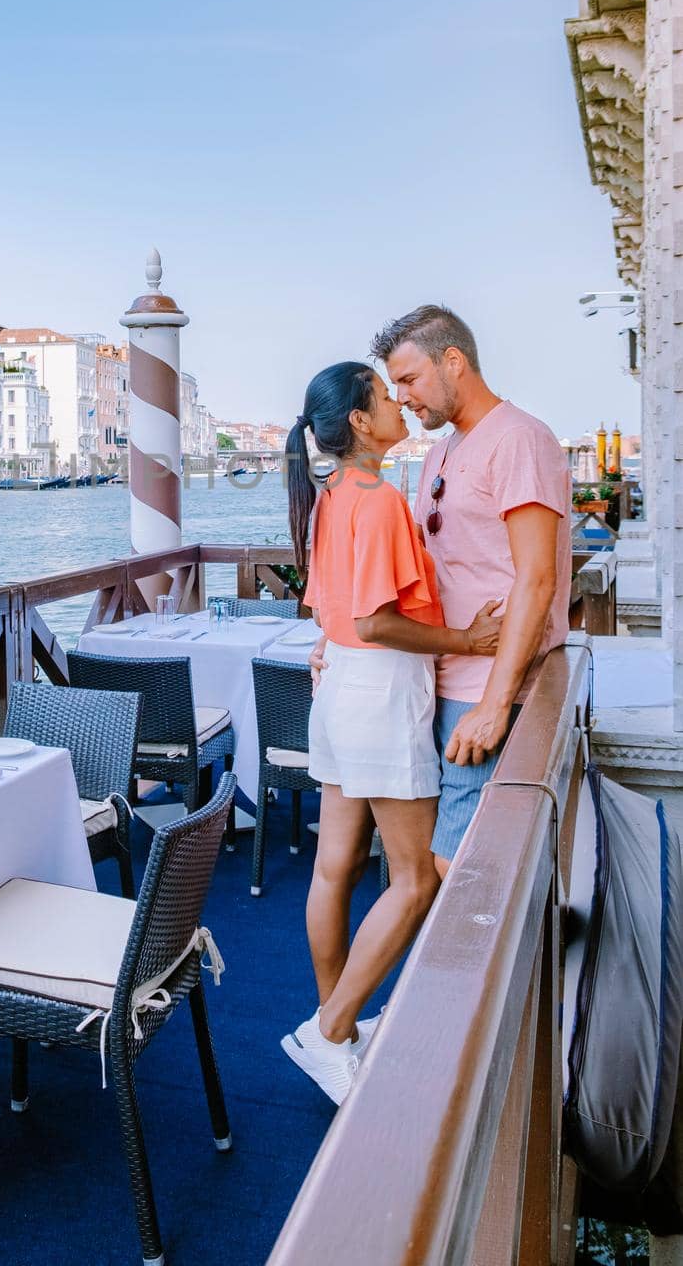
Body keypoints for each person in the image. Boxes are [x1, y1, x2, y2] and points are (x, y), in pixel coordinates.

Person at [282, 362, 502, 1105]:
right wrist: (468, 642)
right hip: (378, 693)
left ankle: (330, 1024)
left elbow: (335, 614)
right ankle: (332, 1031)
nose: (397, 401)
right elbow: (378, 619)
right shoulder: (375, 502)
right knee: (411, 880)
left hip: (341, 687)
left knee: (331, 866)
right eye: (383, 395)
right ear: (358, 422)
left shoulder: (329, 499)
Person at [370, 305, 572, 875]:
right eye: (396, 386)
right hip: (440, 674)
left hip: (485, 685)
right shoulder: (442, 449)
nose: (403, 397)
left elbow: (536, 578)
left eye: (410, 379)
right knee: (430, 857)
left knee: (455, 864)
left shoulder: (519, 440)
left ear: (453, 361)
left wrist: (494, 704)